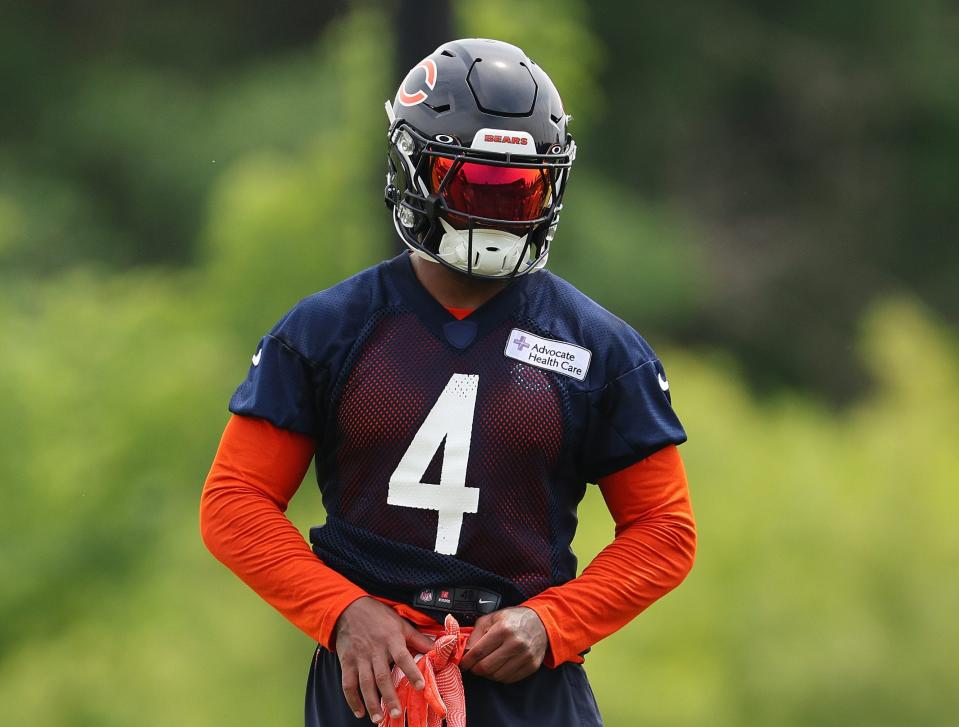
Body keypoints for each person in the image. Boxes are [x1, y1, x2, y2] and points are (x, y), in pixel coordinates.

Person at [200, 37, 696, 727]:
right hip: (372, 684)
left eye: (519, 189)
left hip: (528, 683)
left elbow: (663, 530)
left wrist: (553, 621)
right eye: (475, 184)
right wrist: (342, 611)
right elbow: (234, 502)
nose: (497, 212)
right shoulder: (325, 329)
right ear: (415, 170)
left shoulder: (600, 347)